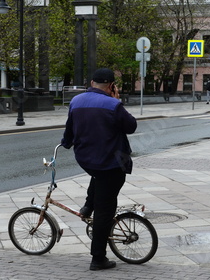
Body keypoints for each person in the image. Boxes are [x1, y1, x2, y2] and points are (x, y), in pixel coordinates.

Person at [61, 68, 137, 271]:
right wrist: (117, 101)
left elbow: (69, 130)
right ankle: (98, 258)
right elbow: (131, 126)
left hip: (85, 159)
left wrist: (65, 144)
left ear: (92, 82)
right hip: (111, 162)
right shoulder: (113, 104)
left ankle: (88, 206)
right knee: (106, 210)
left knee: (99, 176)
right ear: (112, 85)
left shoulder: (76, 101)